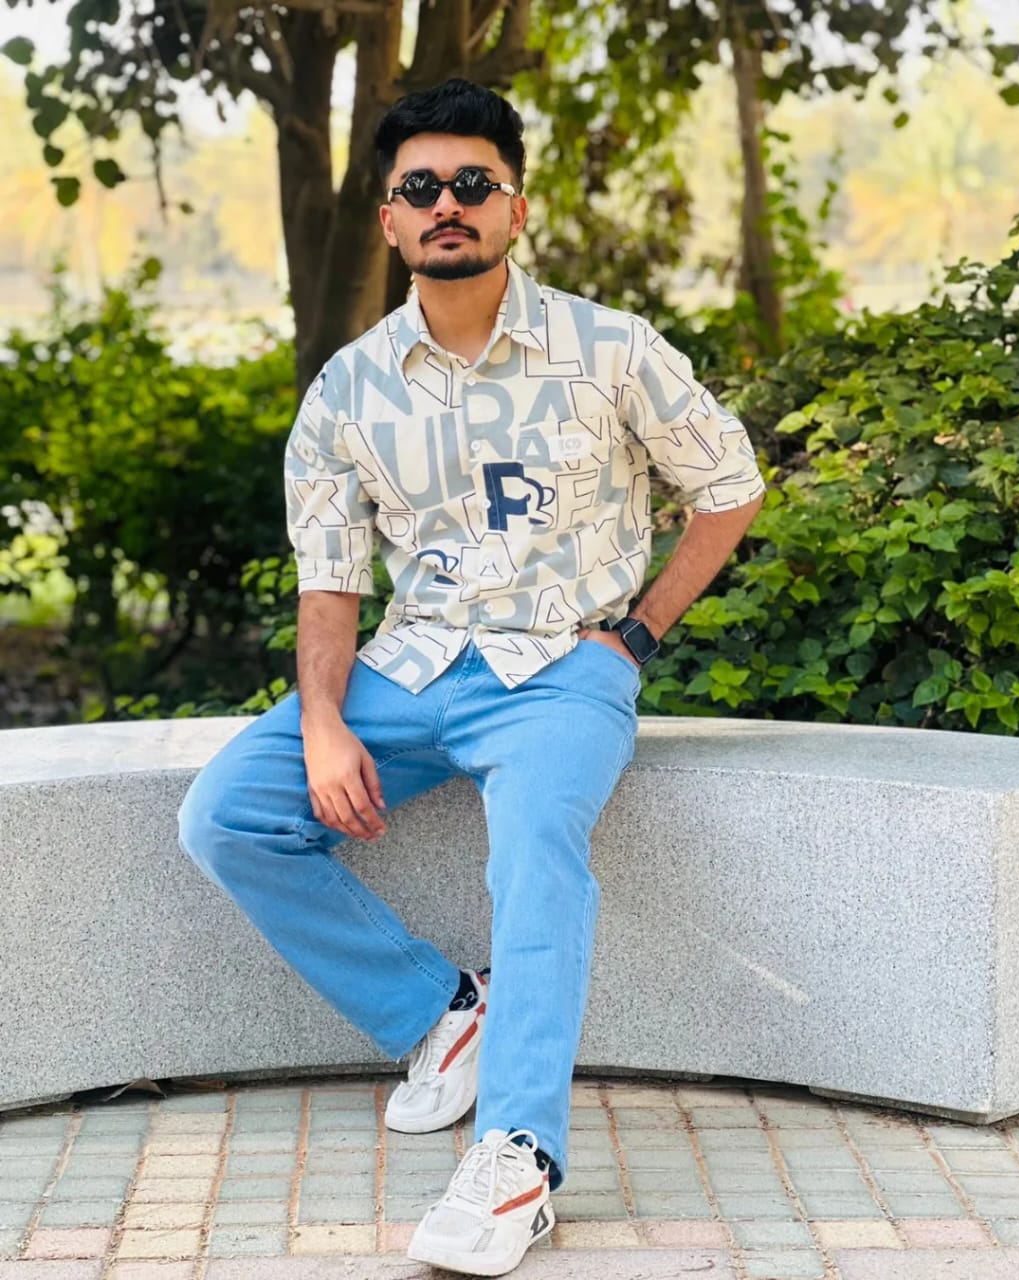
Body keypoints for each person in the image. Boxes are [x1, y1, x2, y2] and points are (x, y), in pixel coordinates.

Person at [178, 77, 765, 1278]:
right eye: (420, 187)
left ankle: (517, 1154)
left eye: (471, 183)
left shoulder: (609, 348)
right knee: (226, 813)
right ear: (390, 219)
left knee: (535, 843)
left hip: (561, 665)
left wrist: (637, 635)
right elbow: (330, 582)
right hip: (412, 662)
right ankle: (439, 1010)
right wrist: (326, 720)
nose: (447, 203)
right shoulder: (347, 388)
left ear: (514, 207)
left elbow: (728, 485)